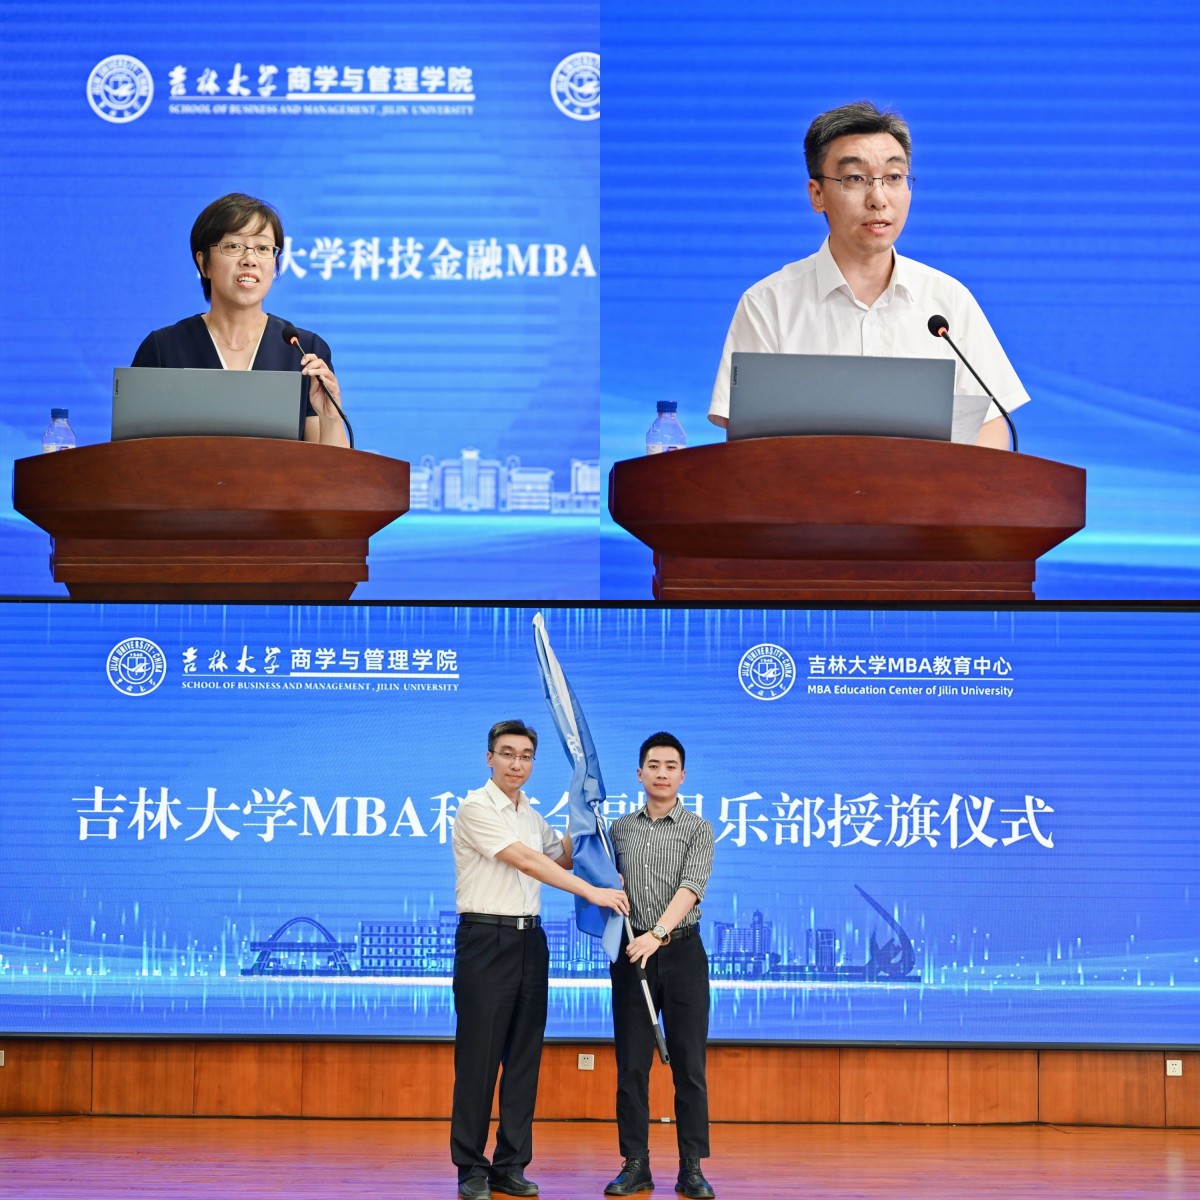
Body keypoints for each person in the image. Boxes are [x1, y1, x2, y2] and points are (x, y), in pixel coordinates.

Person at [709, 101, 1029, 450]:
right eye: (855, 178)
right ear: (817, 194)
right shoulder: (768, 305)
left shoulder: (948, 301)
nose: (878, 198)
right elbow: (748, 446)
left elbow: (990, 428)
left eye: (893, 177)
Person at [451, 720, 630, 1200]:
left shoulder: (529, 814)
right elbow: (530, 862)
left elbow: (563, 855)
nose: (517, 763)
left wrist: (584, 811)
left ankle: (510, 1165)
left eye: (526, 755)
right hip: (485, 939)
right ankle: (470, 1167)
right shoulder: (475, 807)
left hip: (530, 942)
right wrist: (594, 892)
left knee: (523, 1059)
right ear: (489, 758)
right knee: (479, 1060)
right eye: (507, 753)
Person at [132, 192, 349, 446]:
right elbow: (131, 458)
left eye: (263, 248)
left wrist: (331, 417)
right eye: (234, 246)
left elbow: (332, 467)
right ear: (204, 263)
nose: (250, 260)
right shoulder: (163, 348)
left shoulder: (303, 350)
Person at [604, 733, 716, 1200]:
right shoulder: (618, 831)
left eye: (671, 766)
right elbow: (594, 875)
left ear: (683, 775)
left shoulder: (698, 829)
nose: (662, 773)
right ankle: (635, 1164)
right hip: (633, 956)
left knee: (689, 1065)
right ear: (639, 774)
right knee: (632, 1065)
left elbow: (692, 887)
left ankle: (692, 1168)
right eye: (653, 765)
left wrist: (659, 933)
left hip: (682, 953)